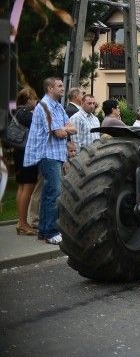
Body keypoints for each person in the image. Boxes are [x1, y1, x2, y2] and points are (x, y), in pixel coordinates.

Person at [22, 77, 76, 244]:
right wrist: (65, 130)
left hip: (57, 155)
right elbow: (59, 133)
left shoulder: (58, 106)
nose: (62, 88)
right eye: (59, 86)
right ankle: (51, 232)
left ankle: (45, 231)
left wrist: (64, 129)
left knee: (49, 193)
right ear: (50, 88)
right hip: (48, 155)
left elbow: (71, 128)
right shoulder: (45, 106)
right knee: (54, 193)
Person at [12, 88, 39, 236]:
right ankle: (23, 223)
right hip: (27, 155)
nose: (36, 102)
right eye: (34, 99)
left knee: (22, 187)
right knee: (27, 188)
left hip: (19, 154)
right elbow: (38, 129)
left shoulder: (18, 112)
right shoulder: (27, 115)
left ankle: (20, 221)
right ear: (28, 100)